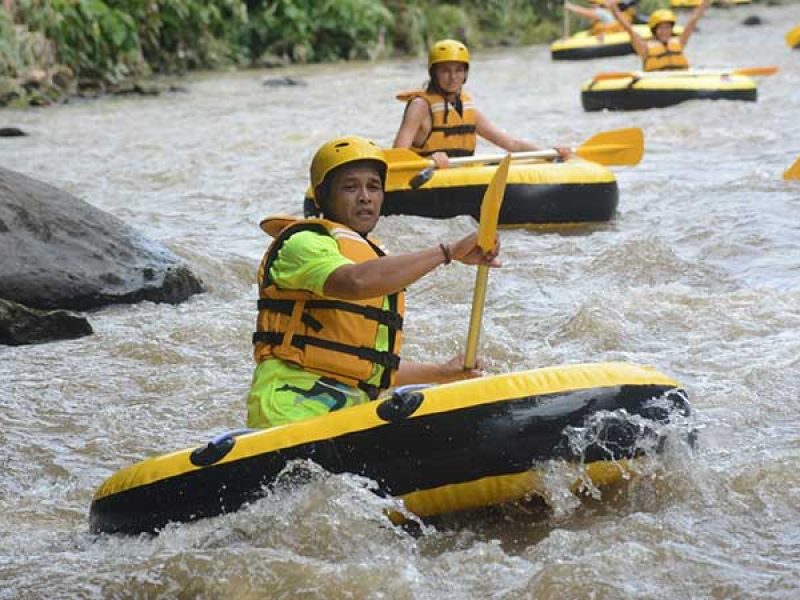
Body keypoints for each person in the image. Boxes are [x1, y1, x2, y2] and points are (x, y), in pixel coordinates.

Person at [247, 135, 501, 429]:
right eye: (350, 187)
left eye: (374, 187)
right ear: (322, 196)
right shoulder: (302, 243)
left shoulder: (378, 259)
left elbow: (370, 366)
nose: (365, 196)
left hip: (350, 414)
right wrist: (447, 252)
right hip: (288, 412)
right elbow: (354, 282)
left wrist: (443, 373)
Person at [393, 39, 570, 169]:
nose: (453, 77)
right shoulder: (420, 106)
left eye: (459, 70)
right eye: (445, 70)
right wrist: (430, 159)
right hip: (428, 176)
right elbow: (397, 155)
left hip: (462, 177)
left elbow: (512, 145)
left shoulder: (467, 110)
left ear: (465, 74)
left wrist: (550, 154)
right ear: (434, 74)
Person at [607, 0, 711, 71]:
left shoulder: (678, 42)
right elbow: (629, 29)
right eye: (661, 28)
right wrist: (614, 9)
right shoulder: (644, 48)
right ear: (654, 30)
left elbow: (693, 21)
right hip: (655, 83)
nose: (665, 31)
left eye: (667, 28)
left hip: (680, 79)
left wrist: (706, 2)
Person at [565, 0, 641, 35]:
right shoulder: (607, 12)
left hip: (615, 34)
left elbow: (585, 12)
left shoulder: (602, 12)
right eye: (590, 3)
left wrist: (570, 7)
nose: (591, 5)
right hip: (610, 32)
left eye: (593, 3)